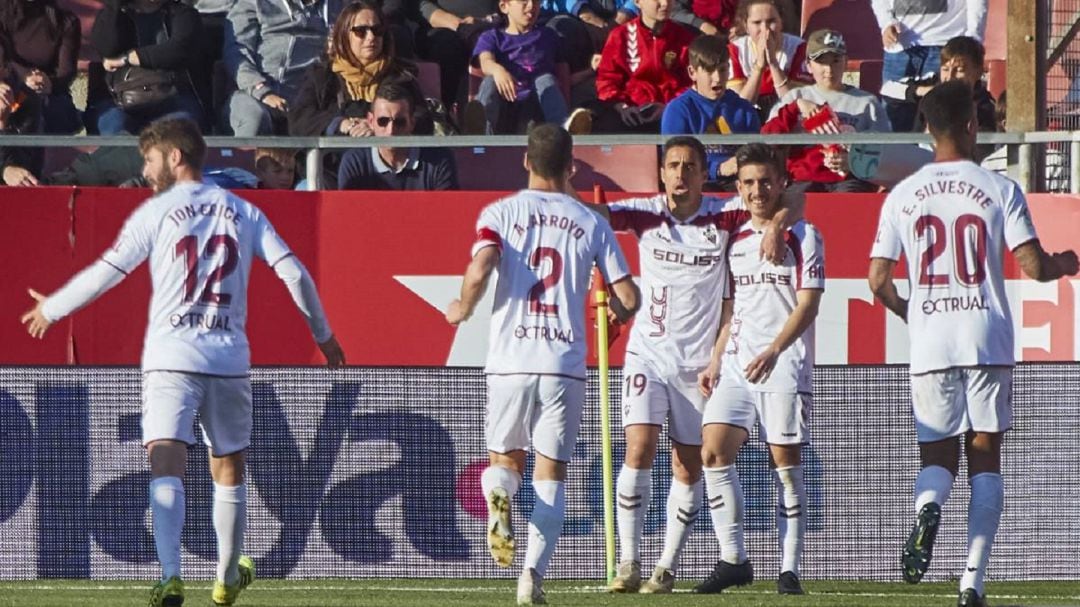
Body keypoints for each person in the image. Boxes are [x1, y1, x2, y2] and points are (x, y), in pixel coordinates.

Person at [19, 118, 346, 607]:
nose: (145, 172)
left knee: (165, 460)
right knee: (228, 466)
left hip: (171, 355)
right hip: (228, 356)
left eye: (150, 160)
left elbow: (109, 271)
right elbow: (295, 273)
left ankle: (171, 575)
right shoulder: (244, 210)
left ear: (176, 158)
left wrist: (53, 307)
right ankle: (225, 575)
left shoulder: (158, 212)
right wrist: (325, 336)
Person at [868, 80, 1078, 607]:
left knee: (936, 455)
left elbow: (876, 280)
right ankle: (971, 582)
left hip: (932, 336)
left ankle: (926, 509)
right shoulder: (997, 187)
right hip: (985, 333)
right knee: (985, 454)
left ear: (926, 128)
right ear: (969, 126)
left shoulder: (902, 194)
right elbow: (1032, 265)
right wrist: (1066, 264)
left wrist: (910, 311)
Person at [445, 123, 640, 605]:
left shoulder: (500, 212)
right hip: (563, 362)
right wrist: (619, 313)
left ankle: (500, 497)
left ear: (526, 161)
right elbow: (629, 296)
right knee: (551, 473)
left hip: (511, 358)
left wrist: (463, 306)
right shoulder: (591, 221)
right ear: (571, 166)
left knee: (505, 459)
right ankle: (531, 575)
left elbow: (483, 263)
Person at [589, 136, 790, 594]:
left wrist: (777, 223)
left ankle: (665, 567)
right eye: (673, 165)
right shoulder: (645, 213)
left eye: (689, 166)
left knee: (688, 466)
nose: (680, 173)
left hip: (698, 365)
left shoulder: (726, 214)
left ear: (704, 174)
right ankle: (629, 562)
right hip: (648, 354)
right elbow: (593, 217)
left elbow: (790, 196)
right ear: (662, 173)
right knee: (637, 448)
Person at [694, 142, 824, 597]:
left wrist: (773, 350)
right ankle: (734, 558)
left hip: (783, 363)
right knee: (711, 451)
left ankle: (789, 569)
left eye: (765, 181)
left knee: (785, 467)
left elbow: (808, 305)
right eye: (748, 182)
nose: (757, 190)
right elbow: (734, 307)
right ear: (738, 187)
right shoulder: (737, 238)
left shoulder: (806, 236)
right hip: (736, 364)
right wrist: (715, 357)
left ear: (781, 182)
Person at [761, 29, 891, 194]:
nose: (829, 69)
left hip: (851, 180)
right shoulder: (795, 97)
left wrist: (854, 161)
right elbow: (768, 139)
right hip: (804, 180)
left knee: (850, 204)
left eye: (835, 60)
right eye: (821, 61)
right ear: (808, 65)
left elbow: (885, 149)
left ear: (846, 62)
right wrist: (796, 107)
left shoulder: (867, 103)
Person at [288, 0, 424, 138]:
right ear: (344, 35)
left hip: (386, 155)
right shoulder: (322, 75)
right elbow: (299, 119)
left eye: (377, 30)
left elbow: (423, 119)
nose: (371, 37)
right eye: (361, 31)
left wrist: (378, 125)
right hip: (334, 156)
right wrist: (340, 124)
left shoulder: (399, 76)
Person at [222, 0, 346, 135]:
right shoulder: (253, 4)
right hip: (257, 96)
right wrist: (263, 92)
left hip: (314, 102)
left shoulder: (340, 6)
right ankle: (244, 156)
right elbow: (237, 54)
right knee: (253, 116)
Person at [466, 0, 590, 134]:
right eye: (524, 2)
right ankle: (481, 130)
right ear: (504, 6)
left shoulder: (549, 36)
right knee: (490, 81)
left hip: (537, 108)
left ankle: (564, 130)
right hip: (504, 106)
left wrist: (591, 70)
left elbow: (563, 76)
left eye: (536, 2)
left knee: (546, 79)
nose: (531, 6)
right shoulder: (491, 37)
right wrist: (498, 70)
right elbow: (485, 62)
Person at [84, 0, 206, 135]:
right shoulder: (115, 15)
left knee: (179, 132)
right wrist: (114, 6)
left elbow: (179, 49)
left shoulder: (182, 14)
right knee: (115, 128)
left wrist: (129, 58)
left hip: (172, 96)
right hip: (118, 99)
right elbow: (106, 49)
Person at [661, 35, 760, 188]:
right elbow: (673, 159)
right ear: (692, 72)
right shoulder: (678, 110)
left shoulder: (743, 109)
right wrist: (718, 169)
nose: (717, 78)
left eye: (722, 70)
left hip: (739, 184)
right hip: (695, 185)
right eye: (709, 71)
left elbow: (755, 153)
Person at [873, 0, 987, 132]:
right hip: (899, 47)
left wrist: (973, 39)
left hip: (947, 42)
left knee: (944, 120)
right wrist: (886, 22)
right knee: (893, 125)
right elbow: (888, 90)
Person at [591, 0, 695, 133]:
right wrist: (621, 106)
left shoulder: (685, 38)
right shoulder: (620, 36)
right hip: (630, 114)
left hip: (672, 113)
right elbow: (607, 81)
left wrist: (670, 107)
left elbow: (693, 83)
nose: (665, 3)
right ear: (637, 2)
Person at [337, 82, 458, 190]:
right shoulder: (355, 162)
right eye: (383, 121)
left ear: (412, 123)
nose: (391, 130)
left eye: (400, 122)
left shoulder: (440, 160)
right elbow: (348, 213)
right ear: (370, 121)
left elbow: (447, 212)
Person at [905, 36, 996, 162]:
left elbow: (983, 153)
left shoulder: (985, 107)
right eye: (945, 69)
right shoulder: (929, 97)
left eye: (960, 70)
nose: (950, 76)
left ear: (979, 71)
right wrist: (920, 91)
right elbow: (887, 88)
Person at [0, 0, 82, 133]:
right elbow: (3, 60)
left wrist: (49, 83)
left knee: (56, 112)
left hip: (48, 94)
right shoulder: (3, 15)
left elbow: (66, 72)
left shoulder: (65, 22)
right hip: (8, 88)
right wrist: (24, 77)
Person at [726, 0, 810, 121]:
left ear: (781, 21)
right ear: (746, 26)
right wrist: (759, 66)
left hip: (787, 119)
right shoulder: (735, 50)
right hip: (749, 120)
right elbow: (740, 106)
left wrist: (773, 64)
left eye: (771, 21)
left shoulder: (799, 48)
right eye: (757, 23)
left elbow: (795, 102)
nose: (765, 29)